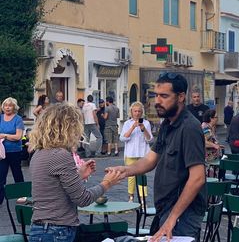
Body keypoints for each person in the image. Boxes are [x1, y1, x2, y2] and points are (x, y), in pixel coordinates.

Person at [107, 72, 206, 241]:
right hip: (165, 208)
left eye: (164, 96)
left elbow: (198, 178)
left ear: (181, 96)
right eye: (156, 95)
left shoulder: (189, 127)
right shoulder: (168, 123)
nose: (157, 101)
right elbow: (150, 159)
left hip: (183, 215)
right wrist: (124, 170)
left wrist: (172, 219)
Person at [28, 103, 122, 242]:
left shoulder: (39, 153)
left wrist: (78, 175)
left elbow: (53, 189)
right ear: (68, 127)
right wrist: (107, 183)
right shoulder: (61, 155)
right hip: (57, 230)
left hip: (41, 228)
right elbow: (82, 199)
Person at [120, 101, 153, 203]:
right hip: (131, 154)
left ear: (142, 112)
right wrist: (132, 128)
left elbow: (150, 140)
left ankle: (143, 198)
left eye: (139, 111)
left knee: (142, 176)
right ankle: (131, 196)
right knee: (130, 176)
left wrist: (144, 130)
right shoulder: (127, 123)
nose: (137, 113)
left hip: (143, 154)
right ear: (131, 112)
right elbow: (123, 138)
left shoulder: (146, 123)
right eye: (135, 111)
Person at [0, 97, 25, 205]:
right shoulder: (0, 118)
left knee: (17, 173)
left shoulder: (18, 119)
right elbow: (13, 136)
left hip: (14, 151)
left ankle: (22, 195)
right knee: (1, 175)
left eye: (10, 105)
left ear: (14, 107)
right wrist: (10, 136)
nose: (7, 107)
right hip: (2, 152)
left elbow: (18, 137)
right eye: (6, 105)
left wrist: (4, 135)